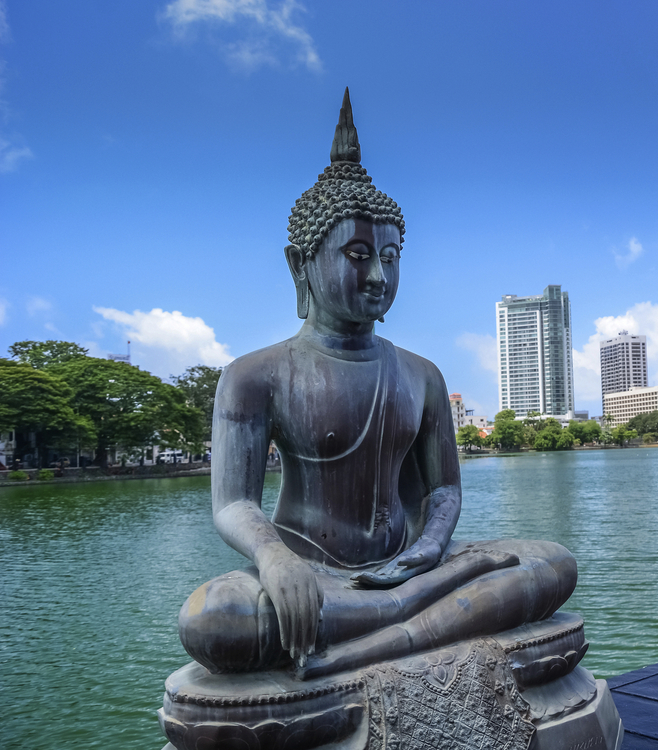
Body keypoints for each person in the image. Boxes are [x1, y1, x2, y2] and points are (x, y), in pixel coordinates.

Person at [177, 91, 576, 681]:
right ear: (300, 265)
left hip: (408, 572)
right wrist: (274, 557)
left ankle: (372, 640)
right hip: (309, 577)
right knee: (218, 618)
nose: (378, 276)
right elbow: (234, 502)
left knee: (551, 564)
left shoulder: (422, 375)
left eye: (390, 258)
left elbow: (443, 492)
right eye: (358, 255)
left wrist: (431, 547)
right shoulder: (255, 374)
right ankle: (413, 629)